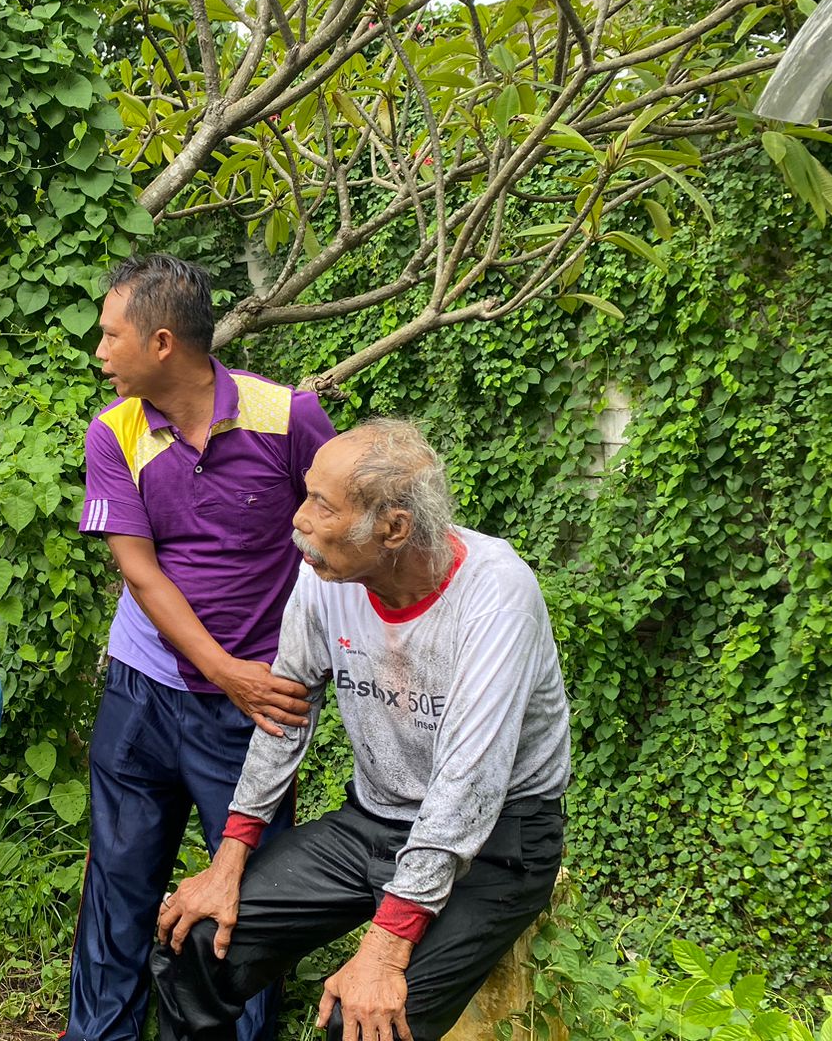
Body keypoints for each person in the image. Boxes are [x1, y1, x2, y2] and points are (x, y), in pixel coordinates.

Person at [152, 419, 572, 1041]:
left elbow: (467, 784)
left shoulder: (495, 596)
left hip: (500, 841)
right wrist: (228, 862)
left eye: (322, 504)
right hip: (373, 822)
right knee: (199, 941)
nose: (298, 517)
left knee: (366, 1022)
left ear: (394, 528)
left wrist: (386, 948)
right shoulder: (327, 575)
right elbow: (283, 713)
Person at [67, 254, 336, 1041]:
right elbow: (140, 573)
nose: (98, 353)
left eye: (109, 336)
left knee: (249, 894)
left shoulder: (289, 417)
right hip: (144, 689)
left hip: (256, 702)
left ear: (160, 343)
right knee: (119, 878)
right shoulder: (112, 431)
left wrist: (299, 670)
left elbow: (334, 535)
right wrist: (224, 671)